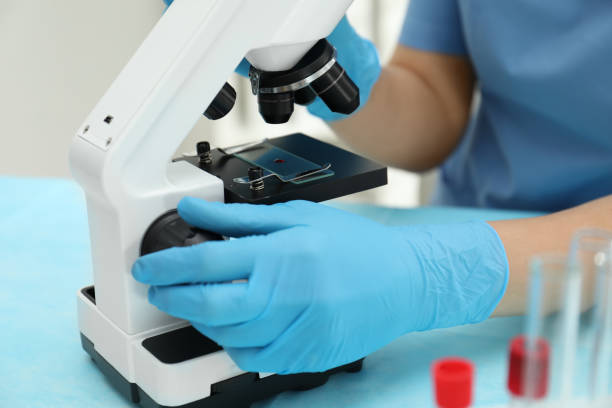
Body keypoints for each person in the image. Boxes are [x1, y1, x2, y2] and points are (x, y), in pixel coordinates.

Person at [132, 0, 612, 374]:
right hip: (465, 227)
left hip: (576, 294)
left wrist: (432, 275)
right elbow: (432, 115)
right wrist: (317, 54)